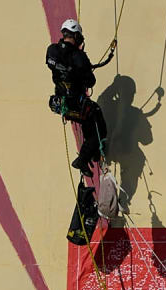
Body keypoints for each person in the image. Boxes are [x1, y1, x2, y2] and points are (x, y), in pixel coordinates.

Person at [46, 19, 114, 177]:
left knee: (88, 123)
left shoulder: (52, 50)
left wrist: (68, 69)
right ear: (76, 36)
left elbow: (51, 62)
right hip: (77, 105)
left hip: (62, 105)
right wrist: (80, 66)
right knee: (99, 126)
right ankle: (84, 158)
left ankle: (91, 154)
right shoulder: (79, 57)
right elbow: (91, 81)